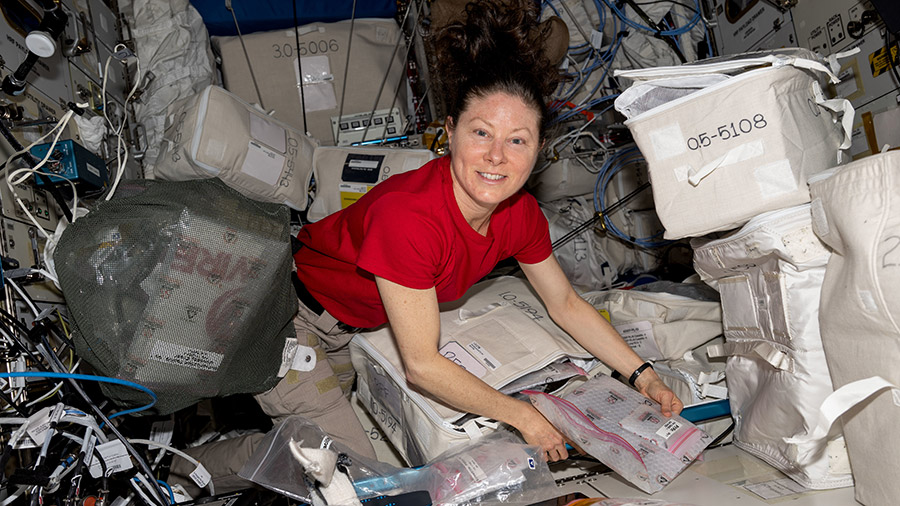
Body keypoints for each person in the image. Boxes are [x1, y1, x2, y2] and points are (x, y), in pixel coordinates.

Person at [171, 0, 683, 494]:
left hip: (357, 327)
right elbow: (422, 364)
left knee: (340, 446)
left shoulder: (519, 214)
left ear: (539, 150)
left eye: (518, 140)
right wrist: (523, 416)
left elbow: (566, 303)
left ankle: (244, 457)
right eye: (481, 132)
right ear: (450, 133)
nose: (496, 156)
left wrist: (641, 374)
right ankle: (188, 471)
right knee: (351, 476)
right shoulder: (410, 217)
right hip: (289, 321)